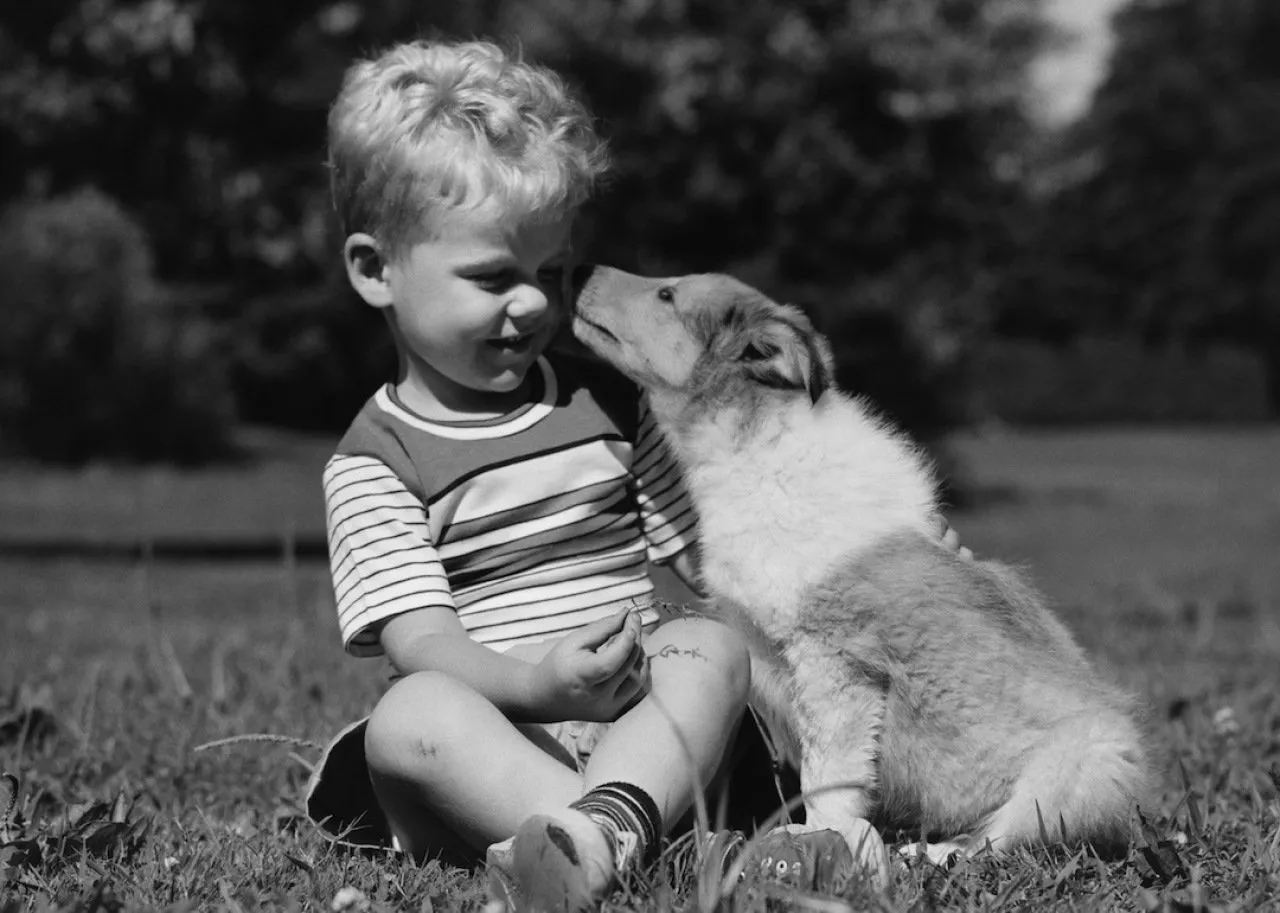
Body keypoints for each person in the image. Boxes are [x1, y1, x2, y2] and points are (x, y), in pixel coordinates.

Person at [307, 36, 793, 913]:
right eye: (494, 276)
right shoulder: (375, 462)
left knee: (711, 644)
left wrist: (857, 557)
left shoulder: (609, 401)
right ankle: (611, 835)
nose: (534, 302)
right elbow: (426, 644)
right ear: (376, 270)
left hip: (641, 723)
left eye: (553, 272)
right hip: (500, 737)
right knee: (409, 714)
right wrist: (539, 685)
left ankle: (599, 835)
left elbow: (711, 560)